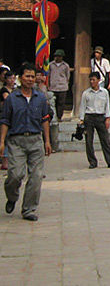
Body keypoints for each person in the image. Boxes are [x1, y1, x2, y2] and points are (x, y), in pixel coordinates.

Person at [0, 63, 52, 221]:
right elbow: (5, 120)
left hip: (36, 140)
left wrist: (47, 141)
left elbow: (45, 120)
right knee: (15, 175)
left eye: (32, 76)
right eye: (27, 76)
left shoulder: (40, 98)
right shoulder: (12, 99)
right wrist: (2, 141)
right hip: (16, 141)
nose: (30, 79)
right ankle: (12, 196)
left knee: (36, 176)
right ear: (20, 78)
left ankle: (29, 209)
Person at [77, 72, 110, 169]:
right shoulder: (86, 93)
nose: (92, 82)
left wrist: (107, 118)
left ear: (98, 80)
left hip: (100, 117)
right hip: (89, 117)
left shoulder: (104, 92)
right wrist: (81, 120)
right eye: (90, 80)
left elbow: (107, 105)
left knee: (105, 140)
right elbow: (82, 107)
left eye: (94, 80)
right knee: (89, 141)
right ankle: (92, 162)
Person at [48, 49, 71, 121]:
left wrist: (65, 83)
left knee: (61, 103)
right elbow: (48, 75)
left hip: (62, 87)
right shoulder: (51, 65)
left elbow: (68, 76)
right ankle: (52, 117)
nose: (57, 58)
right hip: (53, 86)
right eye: (56, 56)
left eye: (59, 56)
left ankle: (59, 117)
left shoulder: (65, 66)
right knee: (52, 103)